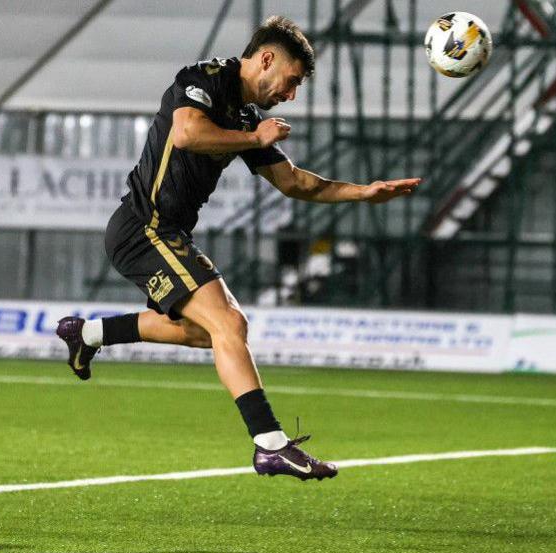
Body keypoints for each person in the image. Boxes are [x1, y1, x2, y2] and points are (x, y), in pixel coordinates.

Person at [55, 16, 420, 482]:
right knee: (230, 323)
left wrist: (364, 192)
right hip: (142, 227)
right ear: (266, 59)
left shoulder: (246, 117)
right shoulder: (202, 81)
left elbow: (295, 182)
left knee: (204, 333)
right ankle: (270, 445)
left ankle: (86, 334)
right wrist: (253, 139)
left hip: (167, 233)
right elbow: (185, 133)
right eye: (290, 83)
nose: (290, 96)